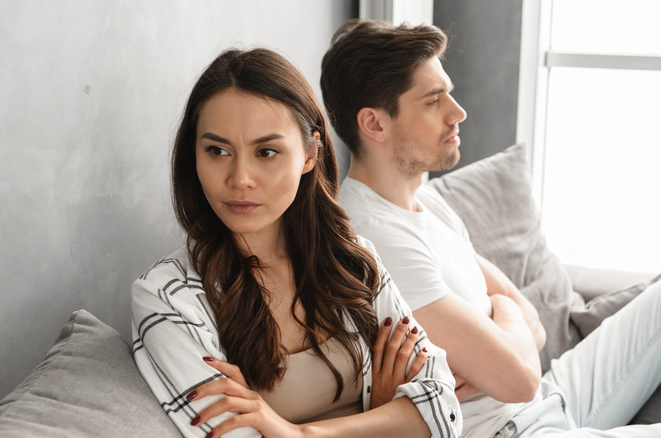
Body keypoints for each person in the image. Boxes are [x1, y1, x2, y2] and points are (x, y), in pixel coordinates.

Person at [321, 18, 661, 437]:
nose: (458, 112)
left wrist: (504, 319)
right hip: (511, 428)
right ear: (374, 123)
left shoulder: (426, 202)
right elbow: (518, 379)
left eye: (449, 94)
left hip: (547, 398)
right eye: (433, 101)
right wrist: (505, 332)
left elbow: (525, 314)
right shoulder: (376, 237)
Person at [131, 48, 461, 438]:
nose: (239, 178)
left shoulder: (353, 261)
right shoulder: (168, 297)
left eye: (266, 152)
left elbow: (444, 410)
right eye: (217, 151)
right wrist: (383, 417)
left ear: (309, 154)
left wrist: (294, 432)